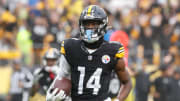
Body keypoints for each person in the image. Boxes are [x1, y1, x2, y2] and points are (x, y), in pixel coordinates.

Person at [46, 5, 132, 101]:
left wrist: (117, 100)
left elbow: (127, 82)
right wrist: (54, 93)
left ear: (103, 25)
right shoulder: (71, 47)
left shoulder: (112, 50)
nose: (90, 28)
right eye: (87, 24)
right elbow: (63, 77)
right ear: (81, 25)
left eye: (94, 24)